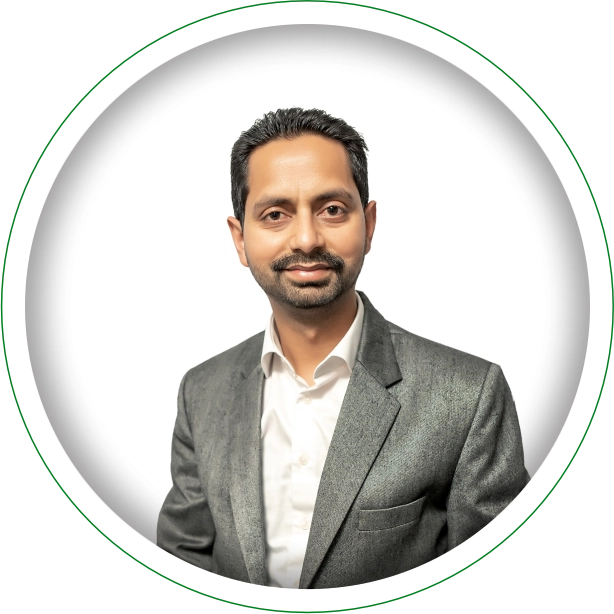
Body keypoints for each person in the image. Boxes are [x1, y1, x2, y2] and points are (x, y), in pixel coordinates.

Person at [157, 107, 529, 589]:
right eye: (275, 215)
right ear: (240, 238)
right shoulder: (201, 391)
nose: (307, 239)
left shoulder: (469, 396)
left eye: (332, 209)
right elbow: (179, 561)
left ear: (368, 224)